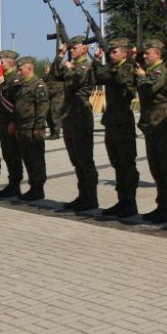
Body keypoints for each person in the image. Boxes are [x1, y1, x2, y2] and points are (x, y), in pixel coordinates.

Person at [135, 38, 167, 223]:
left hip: (162, 123)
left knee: (166, 168)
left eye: (148, 53)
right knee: (156, 168)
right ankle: (162, 205)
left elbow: (149, 89)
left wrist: (142, 76)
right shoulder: (151, 70)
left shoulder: (161, 70)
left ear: (158, 55)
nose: (144, 55)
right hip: (152, 125)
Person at [94, 38, 140, 218]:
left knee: (127, 164)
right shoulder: (112, 68)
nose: (110, 55)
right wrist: (97, 60)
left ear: (124, 53)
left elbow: (126, 85)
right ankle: (122, 200)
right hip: (111, 121)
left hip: (123, 121)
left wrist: (114, 69)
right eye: (109, 52)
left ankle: (130, 202)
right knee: (117, 164)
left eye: (114, 52)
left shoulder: (128, 67)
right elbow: (100, 77)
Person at [55, 37, 99, 211]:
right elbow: (55, 76)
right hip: (69, 116)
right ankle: (83, 195)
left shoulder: (85, 66)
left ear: (84, 49)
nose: (71, 50)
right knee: (76, 160)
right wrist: (59, 56)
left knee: (85, 159)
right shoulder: (71, 66)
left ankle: (90, 197)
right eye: (70, 48)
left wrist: (67, 68)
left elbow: (74, 83)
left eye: (74, 48)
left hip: (81, 116)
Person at [13, 56, 48, 201]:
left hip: (33, 129)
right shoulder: (22, 86)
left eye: (20, 69)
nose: (18, 72)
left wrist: (38, 127)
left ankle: (38, 189)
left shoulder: (38, 86)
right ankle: (33, 187)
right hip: (22, 128)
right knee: (27, 159)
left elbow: (42, 108)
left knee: (36, 160)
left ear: (29, 68)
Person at [0, 51, 25, 197]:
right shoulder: (3, 80)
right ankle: (12, 183)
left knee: (13, 155)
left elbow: (18, 104)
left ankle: (15, 185)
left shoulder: (15, 81)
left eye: (2, 61)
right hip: (3, 123)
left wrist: (14, 121)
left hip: (11, 124)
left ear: (10, 63)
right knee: (7, 154)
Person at [43, 64, 62, 140]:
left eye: (46, 70)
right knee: (48, 117)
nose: (45, 72)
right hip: (49, 100)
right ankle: (52, 133)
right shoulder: (47, 79)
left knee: (55, 117)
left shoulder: (56, 78)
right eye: (45, 71)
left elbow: (56, 89)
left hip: (56, 100)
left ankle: (56, 133)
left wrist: (46, 91)